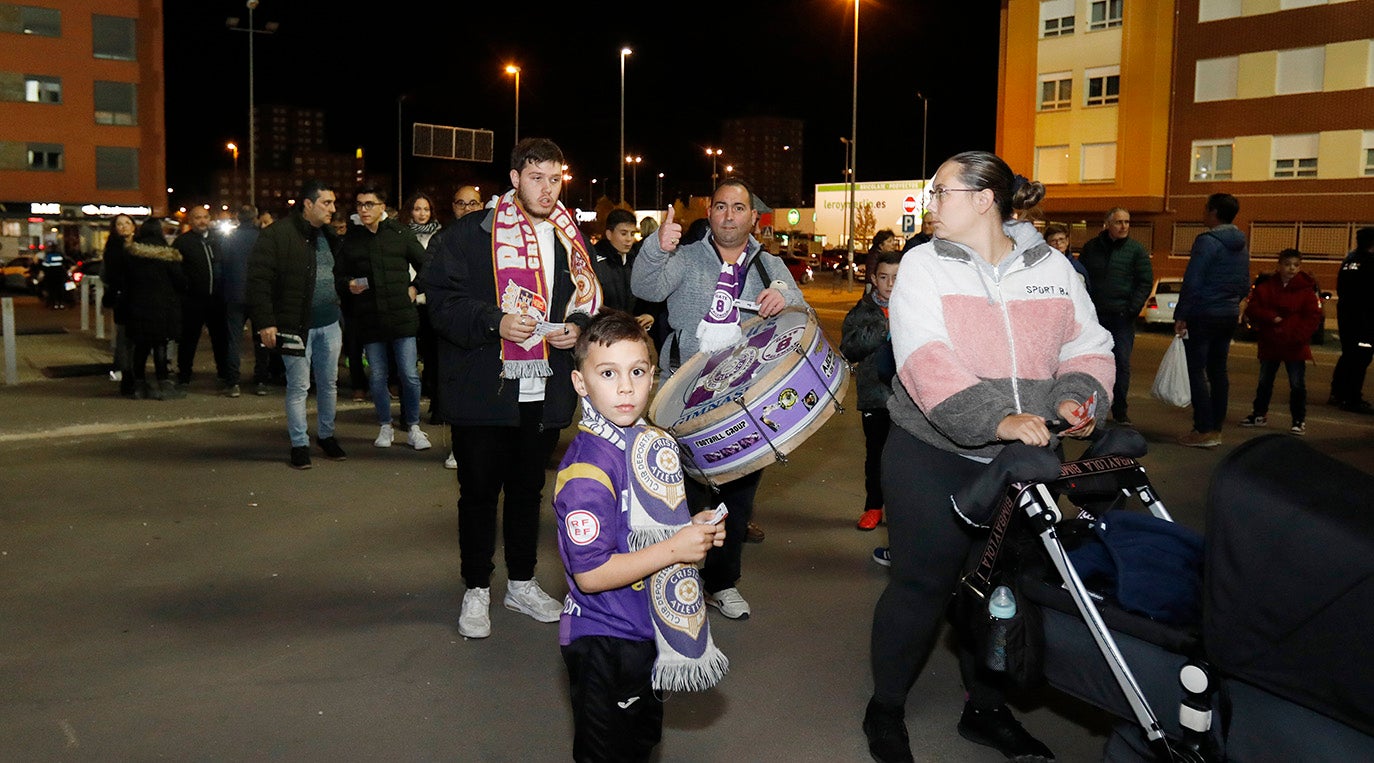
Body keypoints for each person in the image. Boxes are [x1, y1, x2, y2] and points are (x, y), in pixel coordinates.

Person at [862, 151, 1112, 763]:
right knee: (922, 586)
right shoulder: (923, 264)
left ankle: (987, 710)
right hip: (932, 453)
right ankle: (886, 707)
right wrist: (993, 419)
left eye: (942, 191)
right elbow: (923, 356)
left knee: (1001, 590)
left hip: (1021, 463)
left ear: (983, 199)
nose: (931, 203)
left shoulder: (1053, 267)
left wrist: (1082, 398)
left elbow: (1088, 345)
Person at [422, 138, 603, 639]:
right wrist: (494, 321)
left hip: (543, 390)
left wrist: (578, 325)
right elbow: (439, 303)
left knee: (528, 490)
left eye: (556, 177)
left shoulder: (570, 236)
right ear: (515, 178)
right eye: (537, 177)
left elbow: (586, 297)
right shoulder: (467, 234)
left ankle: (521, 582)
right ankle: (476, 587)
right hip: (485, 387)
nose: (548, 188)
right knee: (479, 493)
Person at [554, 309, 728, 762]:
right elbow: (591, 575)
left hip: (643, 626)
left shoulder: (646, 444)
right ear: (580, 383)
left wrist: (693, 533)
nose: (626, 387)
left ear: (654, 376)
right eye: (608, 373)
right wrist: (675, 548)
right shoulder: (587, 473)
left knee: (640, 744)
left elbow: (646, 531)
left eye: (637, 371)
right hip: (604, 637)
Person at [631, 178, 806, 621]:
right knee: (680, 494)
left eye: (739, 208)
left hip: (744, 399)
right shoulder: (686, 257)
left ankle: (722, 584)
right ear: (709, 213)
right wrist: (657, 246)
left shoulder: (768, 264)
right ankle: (677, 580)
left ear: (752, 216)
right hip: (684, 395)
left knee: (738, 496)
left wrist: (782, 295)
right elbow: (646, 287)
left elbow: (799, 304)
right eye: (721, 206)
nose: (729, 215)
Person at [246, 178, 347, 470]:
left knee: (328, 384)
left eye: (333, 202)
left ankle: (326, 436)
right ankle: (299, 444)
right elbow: (258, 280)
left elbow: (336, 273)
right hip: (296, 326)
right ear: (308, 204)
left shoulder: (329, 235)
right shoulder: (277, 235)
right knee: (299, 386)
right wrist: (266, 322)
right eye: (326, 203)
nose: (333, 208)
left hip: (330, 324)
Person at [339, 184, 431, 451]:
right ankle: (384, 425)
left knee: (410, 375)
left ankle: (413, 426)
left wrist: (416, 287)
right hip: (370, 318)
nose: (364, 210)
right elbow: (339, 275)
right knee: (378, 376)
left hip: (402, 316)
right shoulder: (352, 239)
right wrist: (348, 285)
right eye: (359, 205)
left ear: (382, 207)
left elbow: (427, 266)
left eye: (369, 204)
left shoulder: (400, 234)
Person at [1174, 193, 1251, 448]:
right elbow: (1243, 283)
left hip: (1204, 313)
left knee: (1196, 370)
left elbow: (1193, 280)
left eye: (1206, 208)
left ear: (1214, 212)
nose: (1203, 212)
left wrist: (1181, 315)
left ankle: (1203, 429)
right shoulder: (1241, 243)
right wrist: (1231, 302)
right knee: (1218, 370)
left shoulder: (1207, 241)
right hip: (1227, 313)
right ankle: (1216, 427)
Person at [841, 249, 902, 552]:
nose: (890, 284)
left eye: (896, 277)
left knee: (907, 458)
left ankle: (903, 511)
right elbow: (850, 348)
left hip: (910, 399)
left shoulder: (917, 305)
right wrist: (883, 328)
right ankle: (873, 506)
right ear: (874, 278)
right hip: (876, 397)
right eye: (884, 277)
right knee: (876, 455)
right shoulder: (862, 311)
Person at [1079, 207, 1153, 425]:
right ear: (1107, 224)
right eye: (1119, 222)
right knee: (1090, 363)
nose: (1124, 226)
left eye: (1127, 222)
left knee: (1121, 364)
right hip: (1095, 317)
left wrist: (1132, 308)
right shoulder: (1091, 248)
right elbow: (1081, 277)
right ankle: (1090, 408)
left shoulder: (1136, 251)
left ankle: (1120, 411)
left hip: (1122, 317)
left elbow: (1145, 281)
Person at [1239, 248, 1321, 435]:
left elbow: (1312, 318)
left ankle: (1298, 420)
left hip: (1294, 345)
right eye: (1287, 264)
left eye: (1296, 265)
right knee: (1265, 381)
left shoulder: (1306, 291)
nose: (1291, 268)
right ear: (1279, 265)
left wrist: (1299, 337)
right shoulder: (1267, 287)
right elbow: (1253, 308)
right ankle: (1259, 414)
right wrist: (1271, 317)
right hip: (1271, 342)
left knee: (1297, 384)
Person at [123, 218, 189, 400]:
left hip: (137, 306)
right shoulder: (168, 254)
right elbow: (180, 281)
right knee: (160, 345)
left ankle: (139, 385)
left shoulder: (133, 253)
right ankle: (163, 384)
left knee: (141, 346)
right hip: (162, 307)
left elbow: (125, 281)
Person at [173, 206, 231, 390]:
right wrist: (187, 287)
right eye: (198, 218)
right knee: (188, 339)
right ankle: (184, 374)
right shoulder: (182, 243)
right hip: (193, 300)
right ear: (190, 221)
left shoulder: (218, 240)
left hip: (217, 300)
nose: (202, 221)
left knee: (220, 339)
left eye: (205, 217)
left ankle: (223, 373)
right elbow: (175, 270)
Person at [218, 204, 271, 398]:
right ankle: (261, 381)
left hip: (234, 294)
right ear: (256, 217)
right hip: (259, 295)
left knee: (234, 340)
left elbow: (222, 266)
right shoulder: (263, 237)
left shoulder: (230, 239)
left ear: (238, 217)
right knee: (261, 340)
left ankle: (233, 382)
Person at [1329, 227, 1374, 414]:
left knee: (1348, 355)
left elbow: (1342, 288)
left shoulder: (1349, 260)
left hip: (1347, 316)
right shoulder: (1369, 262)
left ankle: (1338, 393)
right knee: (1360, 358)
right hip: (1364, 319)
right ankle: (1351, 398)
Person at [591, 208, 656, 333]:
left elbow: (649, 291)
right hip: (602, 332)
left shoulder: (637, 259)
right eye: (624, 233)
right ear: (609, 234)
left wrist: (650, 314)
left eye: (632, 234)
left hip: (632, 331)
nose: (629, 239)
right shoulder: (594, 260)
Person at [101, 213, 138, 395]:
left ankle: (136, 373)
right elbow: (107, 275)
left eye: (127, 223)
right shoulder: (112, 249)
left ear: (133, 226)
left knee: (139, 337)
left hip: (141, 299)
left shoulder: (142, 246)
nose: (123, 226)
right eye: (119, 224)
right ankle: (126, 375)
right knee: (124, 337)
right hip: (123, 299)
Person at [1043, 223, 1089, 290]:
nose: (1058, 243)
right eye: (1053, 241)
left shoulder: (1076, 267)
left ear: (1067, 241)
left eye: (1061, 239)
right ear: (1047, 243)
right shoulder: (1041, 266)